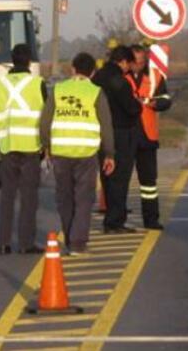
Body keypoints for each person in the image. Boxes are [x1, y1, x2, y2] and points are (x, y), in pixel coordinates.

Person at [40, 53, 116, 255]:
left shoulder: (58, 90)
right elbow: (106, 125)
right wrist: (109, 153)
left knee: (64, 197)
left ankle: (69, 237)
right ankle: (78, 243)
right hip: (86, 154)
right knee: (84, 198)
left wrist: (46, 146)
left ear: (72, 69)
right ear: (93, 72)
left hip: (61, 152)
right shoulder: (96, 92)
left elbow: (45, 122)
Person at [0, 44, 47, 255]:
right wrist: (45, 145)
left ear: (12, 60)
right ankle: (26, 243)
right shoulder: (37, 83)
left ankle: (4, 243)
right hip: (31, 147)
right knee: (28, 197)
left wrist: (0, 145)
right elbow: (45, 118)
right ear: (30, 61)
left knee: (7, 196)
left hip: (7, 146)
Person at [92, 45, 142, 234]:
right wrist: (138, 105)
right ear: (123, 61)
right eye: (129, 64)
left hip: (100, 133)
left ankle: (111, 219)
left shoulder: (97, 78)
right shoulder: (119, 81)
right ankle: (115, 221)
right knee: (120, 178)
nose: (129, 68)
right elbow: (131, 107)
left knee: (107, 176)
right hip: (121, 133)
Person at [127, 45, 171, 230]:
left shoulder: (155, 75)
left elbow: (167, 99)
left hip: (147, 135)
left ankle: (151, 219)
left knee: (149, 182)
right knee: (121, 180)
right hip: (126, 133)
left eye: (142, 62)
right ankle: (117, 219)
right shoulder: (121, 76)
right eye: (135, 62)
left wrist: (157, 103)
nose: (138, 65)